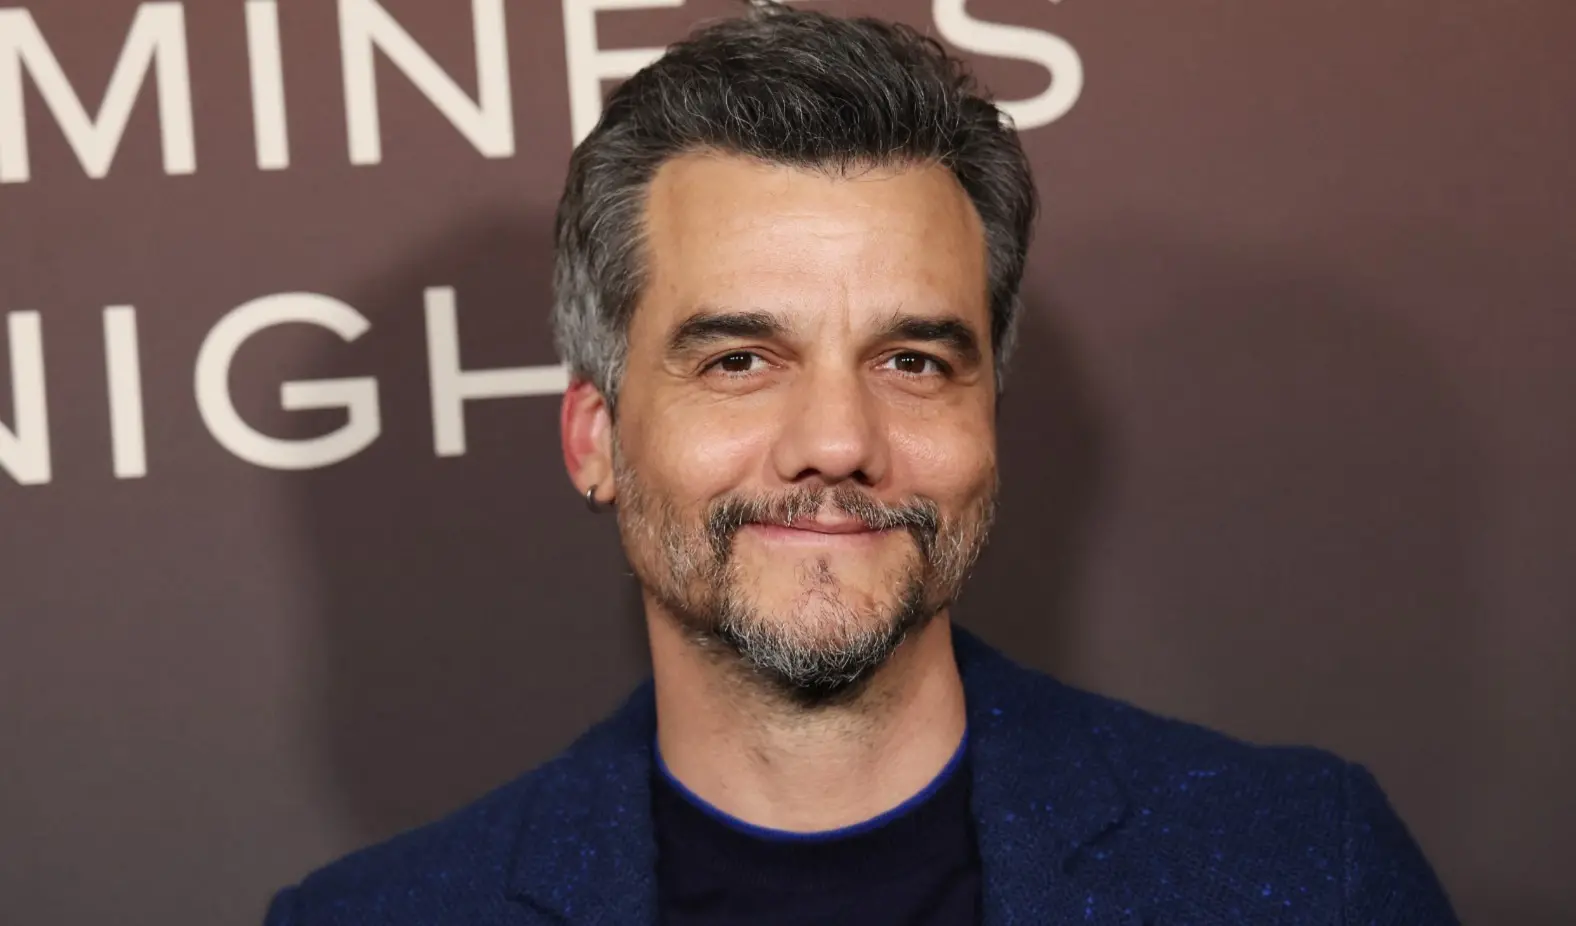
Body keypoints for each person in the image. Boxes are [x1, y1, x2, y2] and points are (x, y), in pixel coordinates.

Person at [263, 4, 1458, 924]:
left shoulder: (1306, 864)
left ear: (991, 417)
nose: (837, 440)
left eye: (911, 361)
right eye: (739, 360)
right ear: (595, 438)